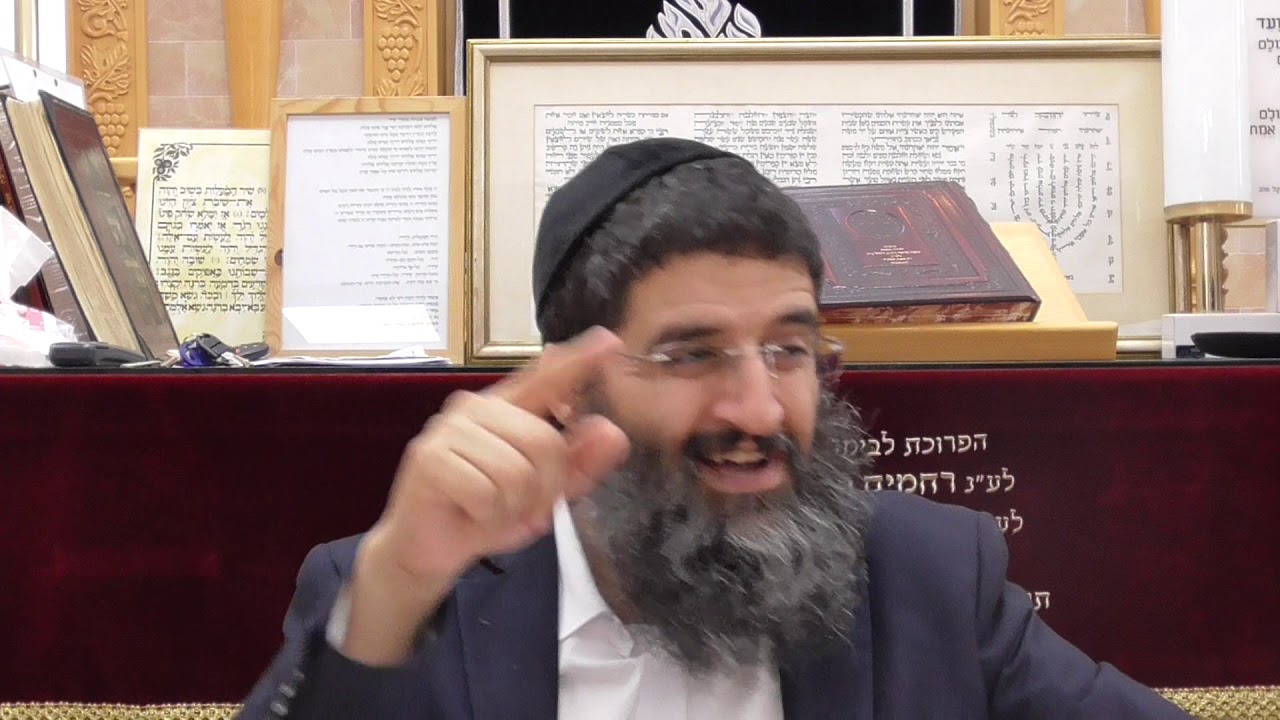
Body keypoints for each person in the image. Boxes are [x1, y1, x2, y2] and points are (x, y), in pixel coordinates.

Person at [237, 138, 1191, 719]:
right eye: (692, 355)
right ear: (569, 387)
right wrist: (394, 592)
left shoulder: (926, 576)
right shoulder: (409, 595)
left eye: (788, 350)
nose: (760, 411)